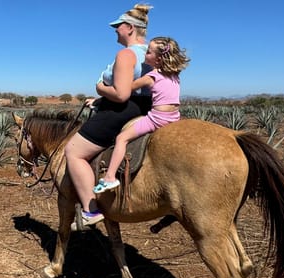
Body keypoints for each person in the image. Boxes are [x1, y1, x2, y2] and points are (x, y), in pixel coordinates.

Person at [65, 4, 154, 230]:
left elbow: (122, 94)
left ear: (130, 28)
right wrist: (100, 102)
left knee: (73, 152)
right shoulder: (151, 53)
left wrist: (99, 89)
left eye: (119, 26)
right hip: (145, 107)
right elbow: (137, 89)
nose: (115, 30)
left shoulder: (126, 54)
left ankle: (89, 210)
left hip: (123, 109)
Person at [93, 36, 190, 193]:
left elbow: (124, 89)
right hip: (174, 117)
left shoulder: (150, 77)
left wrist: (102, 86)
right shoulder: (175, 76)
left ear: (158, 60)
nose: (145, 55)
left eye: (149, 52)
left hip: (157, 119)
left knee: (121, 138)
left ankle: (110, 177)